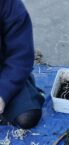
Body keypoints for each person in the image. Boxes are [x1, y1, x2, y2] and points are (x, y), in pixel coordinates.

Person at [0, 0, 45, 129]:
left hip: (5, 72)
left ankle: (28, 90)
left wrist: (3, 94)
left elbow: (20, 56)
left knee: (27, 116)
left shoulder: (9, 5)